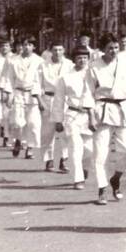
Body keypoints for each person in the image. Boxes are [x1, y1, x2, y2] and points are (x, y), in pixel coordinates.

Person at [87, 32, 126, 206]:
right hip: (102, 109)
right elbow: (87, 92)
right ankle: (102, 188)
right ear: (103, 49)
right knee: (100, 152)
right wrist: (90, 116)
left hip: (122, 108)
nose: (113, 51)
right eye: (110, 48)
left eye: (116, 47)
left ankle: (116, 178)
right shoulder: (94, 66)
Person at [52, 47, 95, 190]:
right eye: (79, 58)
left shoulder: (94, 74)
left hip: (90, 116)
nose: (82, 60)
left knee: (89, 149)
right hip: (72, 115)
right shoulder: (65, 77)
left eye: (85, 58)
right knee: (75, 147)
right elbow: (58, 99)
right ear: (74, 59)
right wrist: (58, 120)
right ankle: (78, 179)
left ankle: (85, 168)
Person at [6, 38, 46, 160]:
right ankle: (18, 141)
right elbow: (9, 78)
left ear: (33, 47)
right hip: (18, 92)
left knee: (33, 123)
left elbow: (41, 80)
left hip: (33, 95)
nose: (27, 47)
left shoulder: (39, 61)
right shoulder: (13, 61)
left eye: (30, 45)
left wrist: (40, 98)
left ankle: (30, 148)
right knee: (17, 122)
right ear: (21, 46)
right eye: (25, 44)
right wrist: (9, 95)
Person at [39, 42, 73, 172]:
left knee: (66, 131)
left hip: (64, 100)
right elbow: (37, 83)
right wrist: (39, 100)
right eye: (55, 50)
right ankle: (49, 159)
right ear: (50, 51)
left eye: (60, 50)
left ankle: (64, 159)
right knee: (48, 132)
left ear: (64, 50)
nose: (57, 52)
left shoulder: (69, 65)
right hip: (48, 98)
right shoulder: (43, 65)